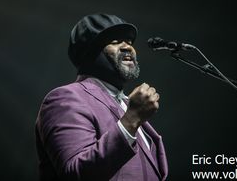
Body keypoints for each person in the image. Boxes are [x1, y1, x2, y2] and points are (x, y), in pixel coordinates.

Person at [35, 14, 168, 181]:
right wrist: (131, 119)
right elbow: (76, 173)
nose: (128, 47)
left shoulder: (127, 104)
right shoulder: (65, 98)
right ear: (90, 52)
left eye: (129, 41)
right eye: (115, 41)